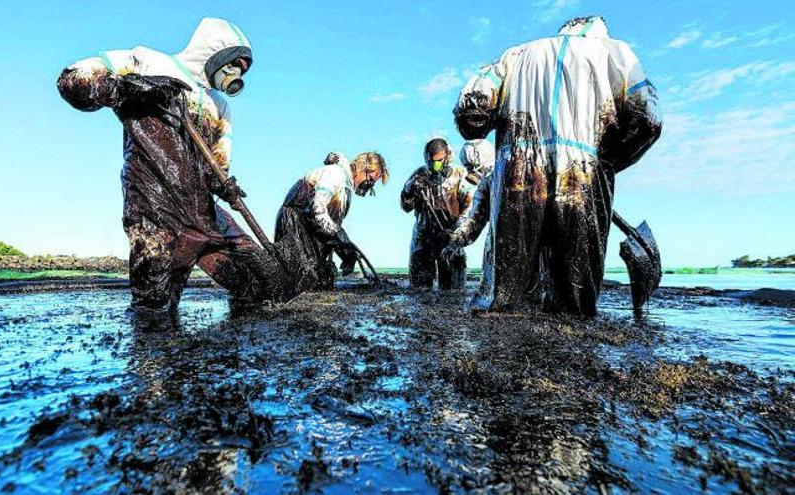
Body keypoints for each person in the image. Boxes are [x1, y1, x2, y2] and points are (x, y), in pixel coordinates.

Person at [58, 18, 296, 314]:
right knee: (155, 304)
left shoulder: (220, 105)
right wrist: (129, 89)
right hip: (155, 206)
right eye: (235, 63)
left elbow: (217, 166)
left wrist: (225, 186)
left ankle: (227, 355)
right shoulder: (147, 61)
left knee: (261, 281)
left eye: (244, 70)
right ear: (215, 52)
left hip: (204, 211)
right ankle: (155, 356)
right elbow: (72, 80)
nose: (237, 74)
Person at [445, 16, 661, 316]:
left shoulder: (515, 56)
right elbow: (648, 120)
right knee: (574, 294)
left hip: (517, 174)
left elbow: (472, 111)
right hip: (582, 175)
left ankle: (494, 345)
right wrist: (606, 164)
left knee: (504, 290)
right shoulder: (616, 53)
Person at [275, 151, 389, 289]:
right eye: (370, 179)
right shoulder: (335, 174)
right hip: (293, 223)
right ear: (361, 167)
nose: (369, 185)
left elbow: (329, 226)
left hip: (307, 227)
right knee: (306, 282)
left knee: (322, 281)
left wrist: (345, 249)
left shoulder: (345, 190)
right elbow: (317, 210)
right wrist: (342, 241)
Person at [401, 138, 475, 290]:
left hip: (450, 236)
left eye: (439, 161)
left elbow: (468, 208)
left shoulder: (460, 176)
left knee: (453, 292)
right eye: (432, 161)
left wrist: (455, 233)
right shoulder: (419, 175)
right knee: (418, 289)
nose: (436, 165)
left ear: (448, 156)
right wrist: (410, 190)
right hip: (423, 237)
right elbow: (406, 206)